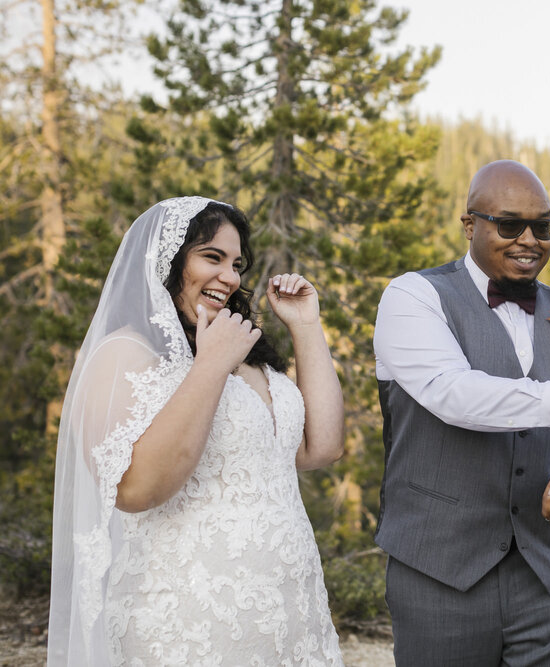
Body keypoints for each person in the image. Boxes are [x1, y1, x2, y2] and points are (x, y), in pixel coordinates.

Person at [47, 197, 346, 666]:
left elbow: (320, 446)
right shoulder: (124, 353)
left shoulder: (245, 354)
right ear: (168, 260)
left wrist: (306, 326)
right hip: (188, 617)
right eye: (212, 257)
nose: (231, 277)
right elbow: (138, 489)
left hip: (290, 610)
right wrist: (210, 364)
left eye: (237, 264)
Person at [373, 160, 550, 665]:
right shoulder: (413, 296)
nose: (529, 239)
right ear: (470, 225)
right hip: (439, 572)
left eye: (543, 227)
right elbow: (451, 393)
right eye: (509, 224)